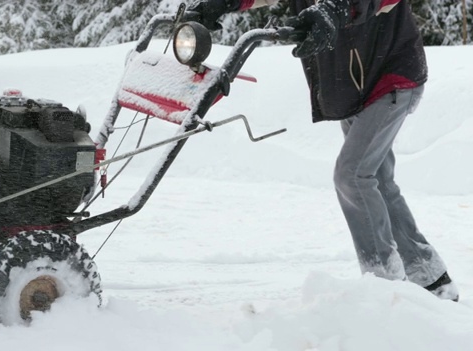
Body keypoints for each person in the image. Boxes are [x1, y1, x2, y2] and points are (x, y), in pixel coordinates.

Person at [186, 0, 459, 301]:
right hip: (356, 83)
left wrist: (338, 8)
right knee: (376, 181)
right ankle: (431, 277)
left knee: (352, 176)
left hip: (391, 76)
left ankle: (385, 287)